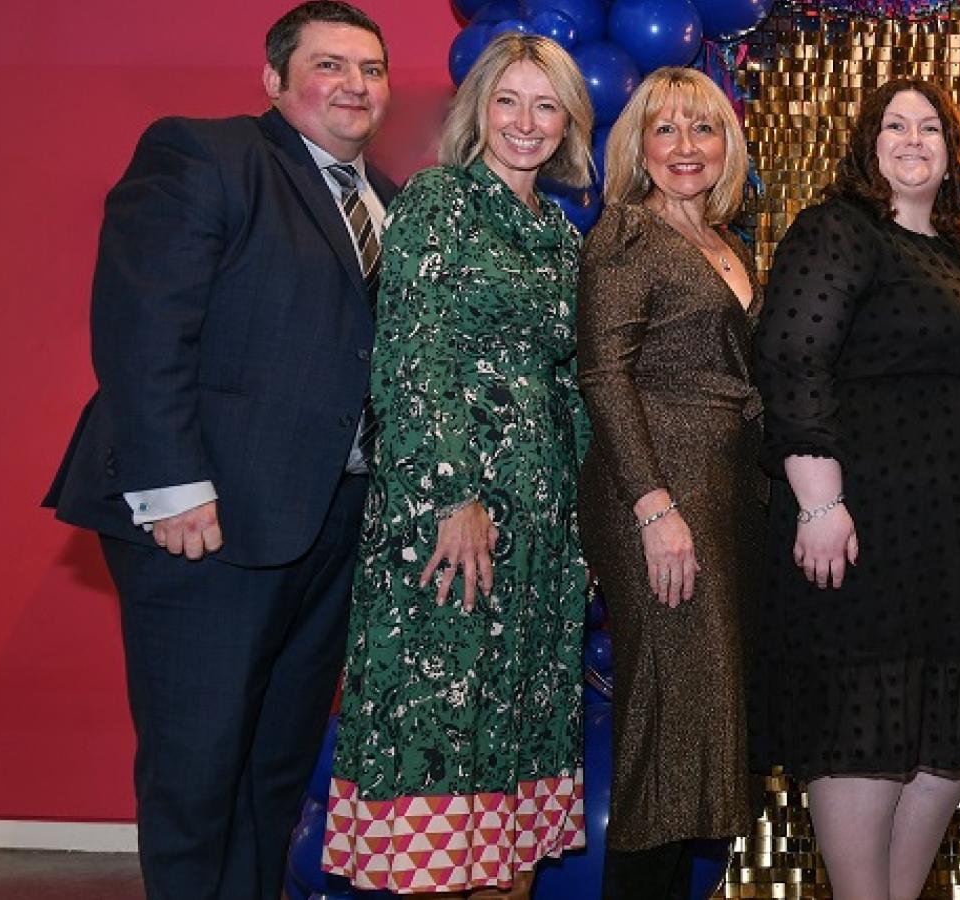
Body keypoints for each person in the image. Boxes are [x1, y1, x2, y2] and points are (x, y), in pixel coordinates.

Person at [42, 4, 391, 897]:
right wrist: (173, 487)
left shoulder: (388, 200)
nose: (354, 85)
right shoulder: (206, 154)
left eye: (371, 68)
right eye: (330, 64)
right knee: (196, 770)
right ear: (275, 79)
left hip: (332, 522)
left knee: (275, 768)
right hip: (207, 520)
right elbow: (144, 323)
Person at [323, 33, 594, 896]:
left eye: (546, 106)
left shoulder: (559, 235)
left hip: (542, 527)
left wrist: (583, 517)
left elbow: (571, 383)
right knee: (442, 728)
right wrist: (453, 496)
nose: (526, 122)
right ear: (479, 109)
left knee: (513, 742)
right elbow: (414, 356)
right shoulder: (439, 202)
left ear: (568, 124)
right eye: (508, 101)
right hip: (454, 517)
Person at [750, 78, 960, 900]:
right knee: (863, 725)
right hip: (864, 539)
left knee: (942, 748)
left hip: (955, 552)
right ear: (868, 145)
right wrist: (819, 503)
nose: (912, 139)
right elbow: (792, 360)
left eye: (930, 127)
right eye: (894, 125)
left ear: (953, 153)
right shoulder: (839, 229)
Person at [576, 68, 762, 900]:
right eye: (666, 129)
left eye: (704, 128)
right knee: (666, 729)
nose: (687, 147)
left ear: (727, 145)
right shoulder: (626, 235)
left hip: (724, 500)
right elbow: (603, 375)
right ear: (638, 146)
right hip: (655, 498)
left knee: (700, 730)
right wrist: (654, 507)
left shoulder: (729, 243)